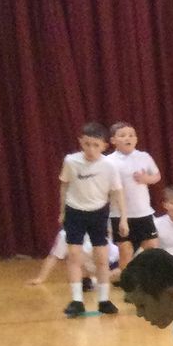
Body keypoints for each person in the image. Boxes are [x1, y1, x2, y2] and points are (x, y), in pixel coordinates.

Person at [60, 123, 126, 317]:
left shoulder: (109, 165)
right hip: (75, 211)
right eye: (87, 144)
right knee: (74, 255)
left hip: (98, 212)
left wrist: (123, 218)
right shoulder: (71, 161)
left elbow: (117, 191)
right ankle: (77, 300)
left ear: (104, 146)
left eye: (95, 145)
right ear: (81, 142)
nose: (90, 149)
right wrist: (62, 210)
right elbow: (64, 186)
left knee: (102, 257)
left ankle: (104, 300)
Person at [109, 121, 162, 255]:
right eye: (122, 135)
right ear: (113, 140)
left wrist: (146, 179)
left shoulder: (144, 156)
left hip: (142, 211)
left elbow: (157, 175)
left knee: (152, 247)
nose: (128, 138)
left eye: (131, 135)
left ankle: (150, 276)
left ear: (136, 139)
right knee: (125, 249)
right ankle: (127, 276)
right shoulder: (108, 161)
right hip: (119, 214)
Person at [30, 226, 119, 289]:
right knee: (73, 259)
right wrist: (40, 278)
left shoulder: (94, 229)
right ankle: (90, 280)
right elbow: (53, 257)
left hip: (111, 262)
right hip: (91, 264)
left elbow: (102, 255)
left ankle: (97, 280)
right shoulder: (65, 235)